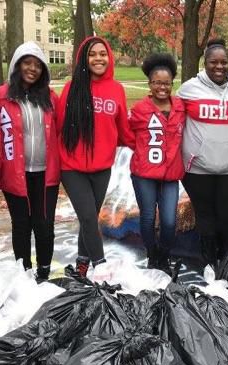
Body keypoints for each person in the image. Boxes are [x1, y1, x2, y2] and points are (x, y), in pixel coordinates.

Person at [56, 36, 132, 278]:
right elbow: (59, 125)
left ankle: (81, 268)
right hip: (71, 166)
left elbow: (123, 131)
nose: (98, 58)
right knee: (89, 217)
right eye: (92, 54)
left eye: (102, 53)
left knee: (87, 219)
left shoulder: (117, 89)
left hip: (101, 168)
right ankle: (101, 266)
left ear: (108, 57)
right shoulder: (71, 88)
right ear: (83, 59)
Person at [177, 38, 228, 267]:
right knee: (205, 217)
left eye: (223, 62)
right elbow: (172, 119)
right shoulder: (189, 89)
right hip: (198, 169)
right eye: (213, 62)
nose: (219, 66)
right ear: (205, 63)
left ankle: (223, 256)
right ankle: (209, 262)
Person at [0, 41, 60, 282]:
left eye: (38, 65)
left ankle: (44, 272)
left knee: (44, 226)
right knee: (21, 225)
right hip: (15, 173)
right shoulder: (1, 96)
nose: (32, 68)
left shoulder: (51, 98)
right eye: (27, 63)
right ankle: (24, 273)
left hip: (46, 174)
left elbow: (62, 132)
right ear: (17, 65)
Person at [128, 53, 185, 273]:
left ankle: (164, 254)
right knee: (149, 217)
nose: (162, 87)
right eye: (157, 83)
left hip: (171, 174)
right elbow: (126, 133)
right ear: (150, 83)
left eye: (167, 83)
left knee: (170, 221)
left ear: (172, 84)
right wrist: (141, 152)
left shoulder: (181, 107)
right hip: (144, 173)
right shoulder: (140, 109)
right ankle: (152, 256)